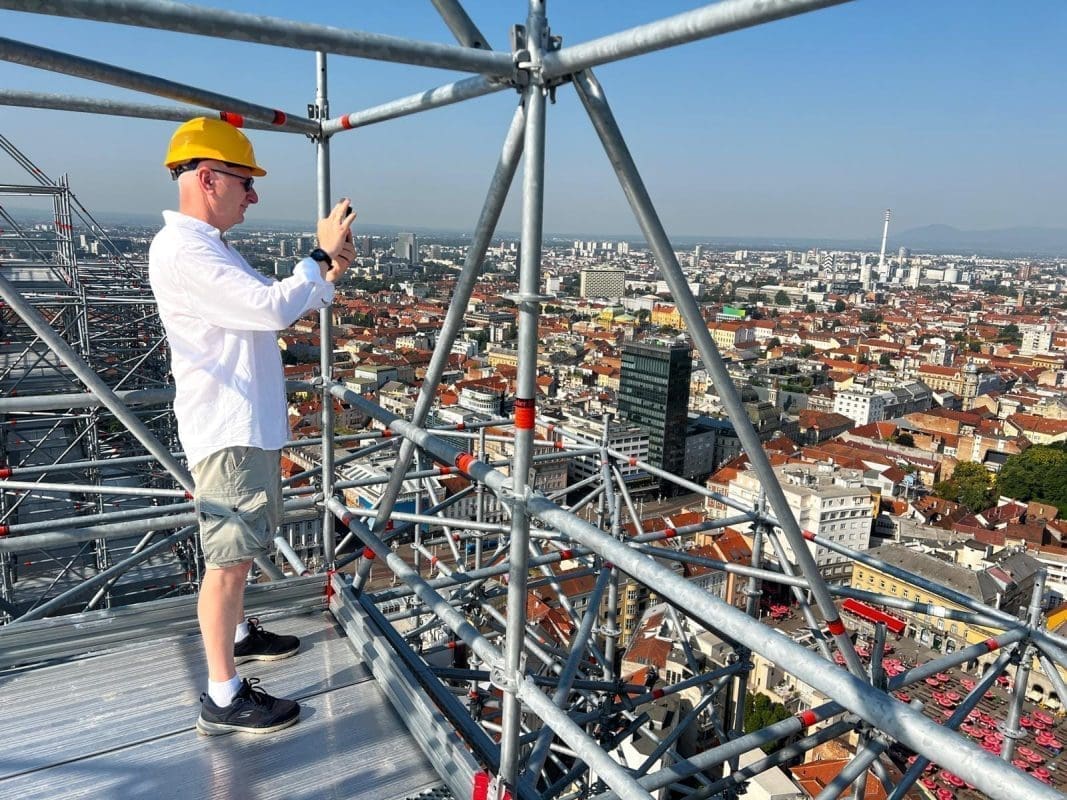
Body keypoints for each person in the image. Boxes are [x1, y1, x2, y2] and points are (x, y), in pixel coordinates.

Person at [148, 117, 356, 735]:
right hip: (228, 427)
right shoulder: (188, 250)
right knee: (228, 560)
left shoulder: (207, 247)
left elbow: (272, 307)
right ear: (209, 179)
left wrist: (327, 275)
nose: (253, 195)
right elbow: (271, 306)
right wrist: (317, 253)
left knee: (238, 551)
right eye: (245, 182)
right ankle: (221, 694)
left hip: (242, 422)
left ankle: (237, 636)